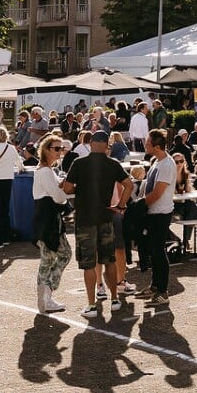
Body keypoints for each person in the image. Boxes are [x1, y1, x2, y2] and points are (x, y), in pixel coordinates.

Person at [67, 130, 129, 311]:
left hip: (85, 217)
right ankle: (115, 298)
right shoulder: (112, 164)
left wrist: (74, 188)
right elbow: (129, 185)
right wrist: (121, 205)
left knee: (88, 263)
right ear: (106, 145)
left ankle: (91, 304)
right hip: (105, 216)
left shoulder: (79, 163)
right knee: (109, 260)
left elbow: (68, 188)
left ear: (92, 143)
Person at [30, 134, 71, 313]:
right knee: (60, 255)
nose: (59, 152)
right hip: (48, 220)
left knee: (49, 258)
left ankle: (46, 296)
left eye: (61, 149)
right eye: (56, 149)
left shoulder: (46, 171)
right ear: (46, 150)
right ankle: (46, 293)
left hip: (45, 219)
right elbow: (60, 197)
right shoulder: (45, 171)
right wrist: (64, 189)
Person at [138, 129, 179, 300]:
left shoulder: (167, 165)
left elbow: (157, 193)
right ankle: (154, 286)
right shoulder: (156, 162)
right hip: (152, 212)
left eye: (148, 143)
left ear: (156, 146)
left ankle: (162, 291)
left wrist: (137, 206)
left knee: (158, 251)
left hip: (160, 213)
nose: (145, 145)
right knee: (153, 252)